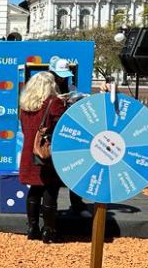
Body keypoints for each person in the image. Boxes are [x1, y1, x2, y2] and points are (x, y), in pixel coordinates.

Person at [18, 71, 67, 243]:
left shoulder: (26, 105)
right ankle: (49, 231)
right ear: (50, 85)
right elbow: (63, 128)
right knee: (50, 189)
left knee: (34, 189)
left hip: (29, 153)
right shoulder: (54, 103)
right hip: (46, 153)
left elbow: (25, 129)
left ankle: (32, 229)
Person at [47, 56, 92, 218]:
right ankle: (47, 210)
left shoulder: (71, 86)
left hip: (69, 134)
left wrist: (78, 100)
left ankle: (77, 203)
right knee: (48, 176)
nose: (62, 78)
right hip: (50, 135)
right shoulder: (45, 88)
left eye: (64, 74)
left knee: (76, 169)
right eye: (59, 74)